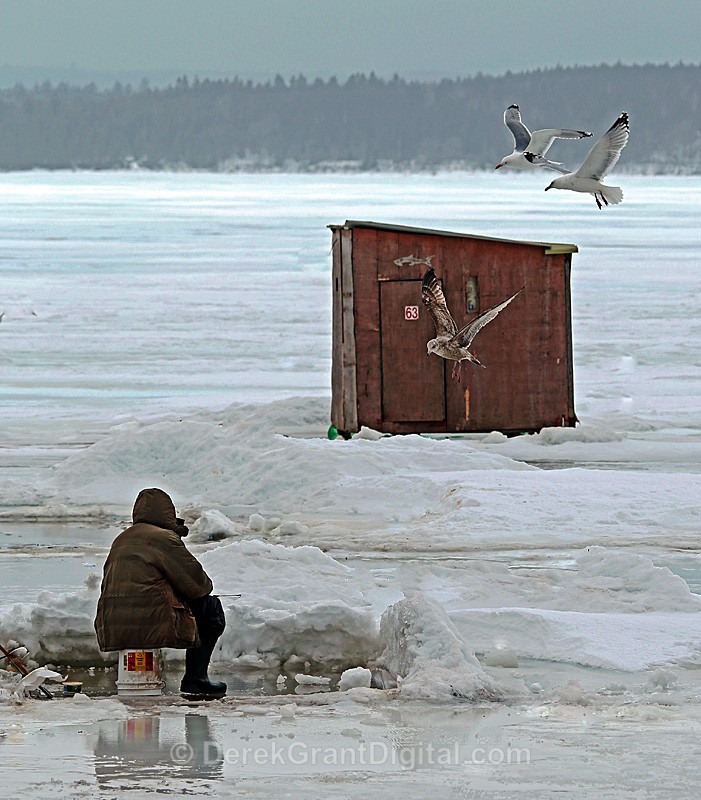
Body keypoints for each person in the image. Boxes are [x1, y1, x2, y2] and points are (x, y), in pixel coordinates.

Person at [94, 487, 226, 698]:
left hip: (110, 622)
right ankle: (196, 678)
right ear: (168, 513)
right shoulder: (163, 538)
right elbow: (199, 586)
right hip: (150, 619)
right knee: (211, 608)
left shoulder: (122, 539)